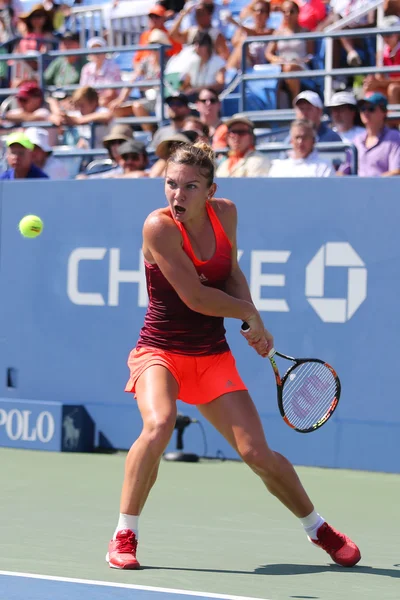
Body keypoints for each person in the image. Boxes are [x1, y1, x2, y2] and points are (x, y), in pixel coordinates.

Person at [106, 140, 361, 570]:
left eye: (189, 187)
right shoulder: (160, 227)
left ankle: (319, 528)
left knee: (257, 454)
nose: (177, 195)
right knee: (159, 424)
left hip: (211, 355)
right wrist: (248, 313)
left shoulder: (227, 214)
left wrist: (252, 320)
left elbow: (231, 273)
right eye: (171, 184)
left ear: (210, 190)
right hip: (160, 351)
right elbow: (195, 297)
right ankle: (124, 533)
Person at [339, 92, 400, 177]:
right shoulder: (357, 140)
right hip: (357, 189)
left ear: (384, 112)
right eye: (362, 109)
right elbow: (343, 171)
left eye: (371, 108)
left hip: (383, 189)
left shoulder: (395, 137)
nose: (366, 112)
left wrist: (369, 185)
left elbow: (396, 172)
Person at [268, 119, 335, 177]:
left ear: (313, 140)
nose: (300, 141)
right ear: (291, 140)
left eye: (305, 137)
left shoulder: (324, 167)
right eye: (297, 137)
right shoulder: (278, 168)